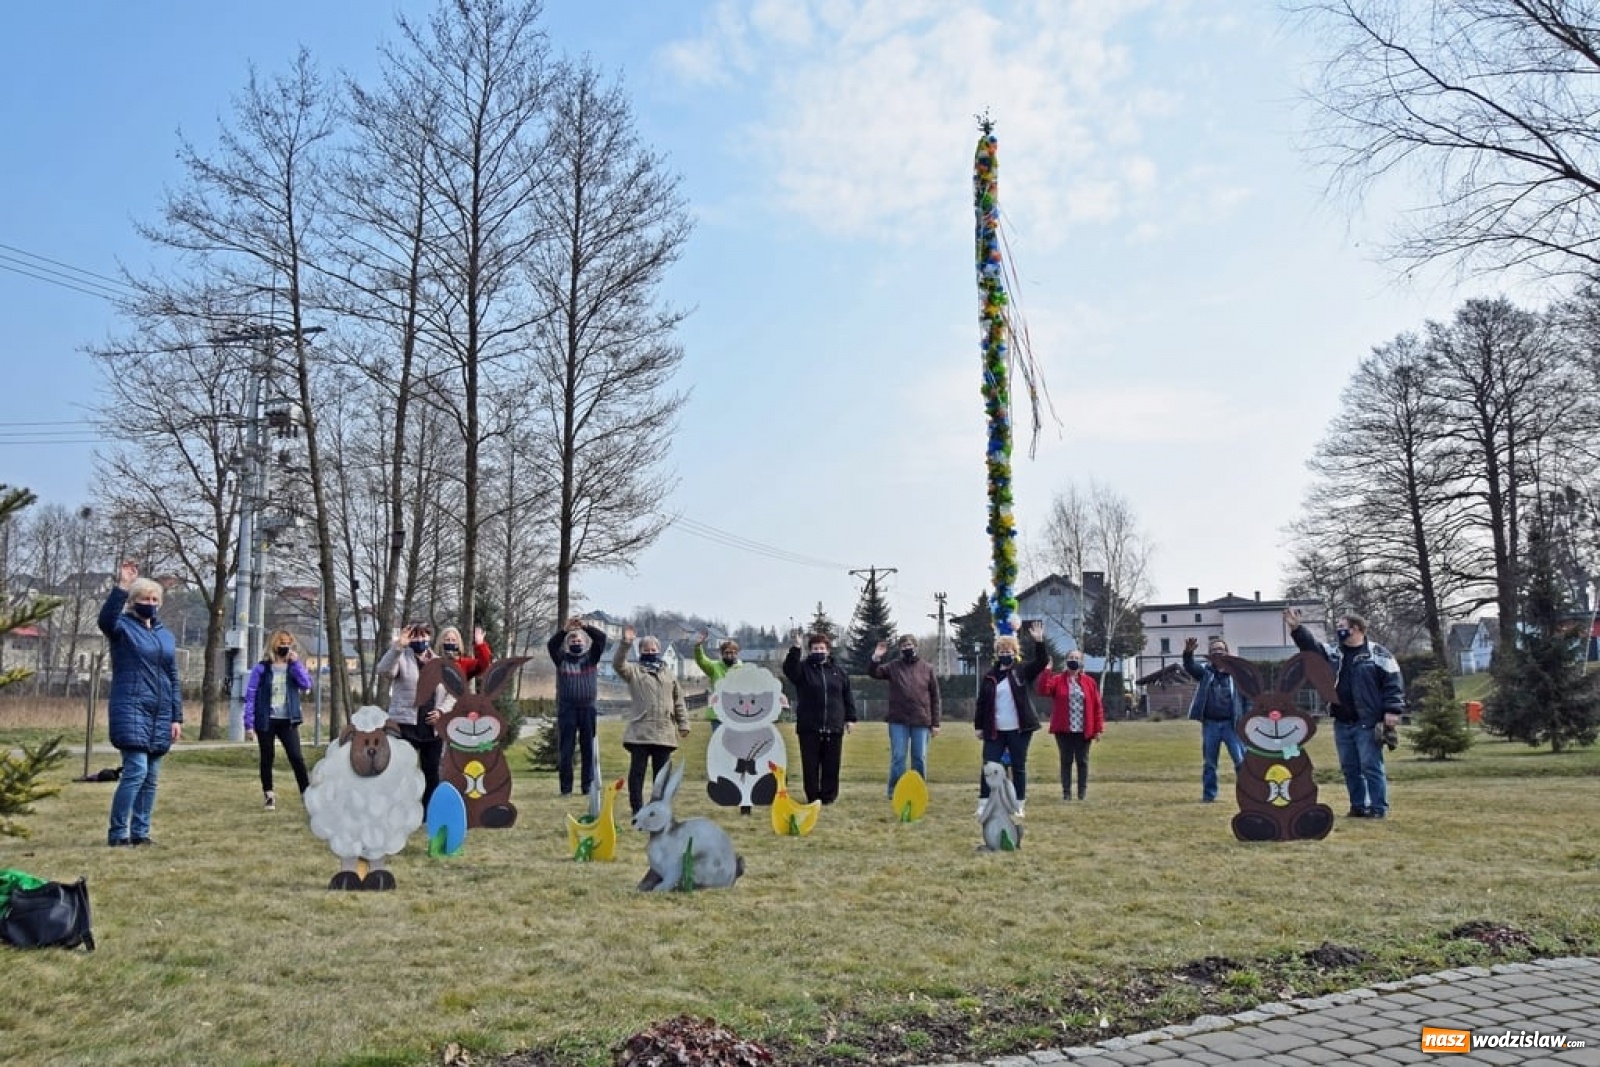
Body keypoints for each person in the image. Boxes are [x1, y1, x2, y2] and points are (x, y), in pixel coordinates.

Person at [1285, 608, 1404, 818]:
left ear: (1356, 629)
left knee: (1371, 766)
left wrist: (1392, 710)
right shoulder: (1334, 653)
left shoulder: (1379, 654)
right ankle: (1358, 806)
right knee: (1350, 767)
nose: (1338, 631)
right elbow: (1310, 648)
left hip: (1367, 720)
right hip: (1342, 721)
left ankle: (1378, 809)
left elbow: (1393, 683)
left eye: (1342, 627)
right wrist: (1296, 628)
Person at [99, 561, 183, 847]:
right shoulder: (122, 628)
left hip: (160, 713)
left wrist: (176, 717)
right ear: (133, 602)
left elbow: (172, 676)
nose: (150, 603)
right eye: (144, 599)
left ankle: (141, 832)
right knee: (136, 771)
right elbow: (106, 620)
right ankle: (117, 833)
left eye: (154, 599)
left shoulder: (165, 635)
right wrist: (122, 586)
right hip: (131, 707)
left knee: (152, 777)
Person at [973, 622, 1048, 817]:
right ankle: (983, 803)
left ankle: (1018, 804)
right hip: (995, 730)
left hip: (1020, 728)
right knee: (989, 766)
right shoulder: (990, 676)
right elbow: (981, 702)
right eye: (1001, 650)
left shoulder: (1022, 671)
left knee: (1018, 765)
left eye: (1009, 650)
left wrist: (1039, 642)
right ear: (997, 653)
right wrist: (978, 726)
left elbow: (1041, 662)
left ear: (1015, 652)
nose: (1005, 653)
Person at [613, 626, 691, 813]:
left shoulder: (669, 675)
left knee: (661, 776)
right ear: (639, 652)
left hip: (664, 731)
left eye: (653, 649)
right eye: (645, 650)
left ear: (659, 651)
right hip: (640, 731)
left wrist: (683, 723)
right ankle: (637, 808)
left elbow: (678, 700)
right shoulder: (633, 671)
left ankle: (658, 809)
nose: (650, 652)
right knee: (637, 773)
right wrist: (626, 644)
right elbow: (617, 664)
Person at [782, 631, 857, 805]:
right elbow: (789, 669)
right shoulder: (803, 670)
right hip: (810, 726)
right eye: (815, 648)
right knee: (810, 765)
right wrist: (796, 647)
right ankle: (813, 796)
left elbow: (847, 696)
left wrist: (850, 718)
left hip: (834, 725)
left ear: (828, 650)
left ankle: (828, 797)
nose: (819, 651)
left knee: (831, 764)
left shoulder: (839, 672)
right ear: (810, 650)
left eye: (822, 648)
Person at [243, 629, 314, 810]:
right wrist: (249, 724)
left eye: (288, 643)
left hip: (287, 720)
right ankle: (269, 795)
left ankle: (307, 795)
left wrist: (297, 664)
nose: (285, 646)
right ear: (274, 644)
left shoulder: (293, 667)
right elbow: (251, 696)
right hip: (266, 720)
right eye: (281, 642)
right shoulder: (262, 669)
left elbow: (306, 684)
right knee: (267, 758)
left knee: (296, 758)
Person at [375, 621, 444, 806]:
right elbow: (384, 670)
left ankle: (428, 812)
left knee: (432, 772)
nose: (420, 639)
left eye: (423, 635)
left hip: (432, 728)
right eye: (416, 635)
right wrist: (398, 647)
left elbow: (450, 693)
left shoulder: (439, 663)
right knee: (402, 772)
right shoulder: (401, 658)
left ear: (430, 637)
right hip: (406, 725)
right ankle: (400, 809)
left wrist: (441, 711)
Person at [868, 634, 941, 797]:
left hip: (921, 720)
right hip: (898, 720)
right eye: (904, 646)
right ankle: (894, 792)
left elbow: (935, 697)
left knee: (919, 758)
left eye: (910, 645)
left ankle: (918, 791)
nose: (907, 648)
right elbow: (874, 673)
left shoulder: (927, 668)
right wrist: (876, 657)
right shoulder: (893, 667)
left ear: (916, 646)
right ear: (900, 649)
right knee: (898, 757)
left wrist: (935, 723)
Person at [1183, 635, 1248, 803]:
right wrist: (1188, 653)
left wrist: (1248, 718)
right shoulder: (1205, 672)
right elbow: (1190, 666)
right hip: (1210, 725)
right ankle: (1209, 796)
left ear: (1227, 653)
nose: (1217, 652)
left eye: (1221, 649)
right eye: (1214, 650)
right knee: (1210, 764)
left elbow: (1247, 699)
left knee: (1241, 761)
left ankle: (1248, 795)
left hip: (1232, 725)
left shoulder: (1237, 674)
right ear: (1210, 655)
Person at [547, 616, 607, 796]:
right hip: (567, 709)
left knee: (588, 748)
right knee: (566, 750)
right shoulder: (561, 659)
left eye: (579, 639)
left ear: (585, 642)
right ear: (567, 643)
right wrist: (566, 630)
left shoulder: (592, 658)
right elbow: (551, 644)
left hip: (588, 709)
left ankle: (587, 786)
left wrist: (585, 626)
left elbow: (601, 639)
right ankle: (566, 788)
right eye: (572, 639)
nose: (576, 641)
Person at [1038, 648, 1104, 800]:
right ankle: (1066, 793)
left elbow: (1097, 706)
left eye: (1076, 658)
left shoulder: (1089, 682)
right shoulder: (1057, 680)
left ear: (1081, 662)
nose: (1073, 660)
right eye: (1071, 657)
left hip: (1084, 728)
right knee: (1066, 760)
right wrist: (1047, 671)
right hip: (1064, 729)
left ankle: (1082, 793)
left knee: (1082, 761)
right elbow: (1043, 690)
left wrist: (1098, 729)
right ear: (1066, 661)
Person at [693, 630, 742, 729]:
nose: (729, 655)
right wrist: (698, 647)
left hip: (737, 714)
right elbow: (701, 660)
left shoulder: (743, 670)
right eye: (726, 653)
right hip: (718, 715)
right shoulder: (714, 667)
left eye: (732, 653)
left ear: (737, 653)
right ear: (722, 654)